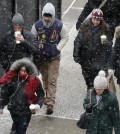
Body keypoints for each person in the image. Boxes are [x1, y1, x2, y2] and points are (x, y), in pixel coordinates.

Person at [31, 3, 69, 115]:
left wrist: (58, 48)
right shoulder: (37, 26)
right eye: (45, 16)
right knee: (45, 79)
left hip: (54, 58)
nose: (47, 18)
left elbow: (65, 37)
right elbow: (32, 38)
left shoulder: (59, 25)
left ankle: (50, 103)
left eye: (49, 16)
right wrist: (37, 46)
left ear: (52, 15)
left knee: (52, 79)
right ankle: (48, 97)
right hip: (42, 57)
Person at [0, 58, 45, 134]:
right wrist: (1, 106)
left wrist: (38, 105)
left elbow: (41, 94)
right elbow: (4, 93)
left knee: (21, 130)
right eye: (21, 70)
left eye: (25, 71)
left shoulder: (35, 80)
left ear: (29, 71)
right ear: (18, 69)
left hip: (26, 110)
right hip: (13, 108)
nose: (23, 72)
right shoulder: (12, 78)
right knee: (16, 124)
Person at [73, 9, 112, 90]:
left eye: (98, 20)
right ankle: (90, 93)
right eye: (95, 19)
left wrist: (106, 42)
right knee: (88, 79)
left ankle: (95, 95)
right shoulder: (85, 26)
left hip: (99, 59)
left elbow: (110, 44)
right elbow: (78, 40)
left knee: (99, 81)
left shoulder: (105, 29)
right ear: (92, 18)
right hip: (86, 58)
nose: (96, 21)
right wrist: (76, 54)